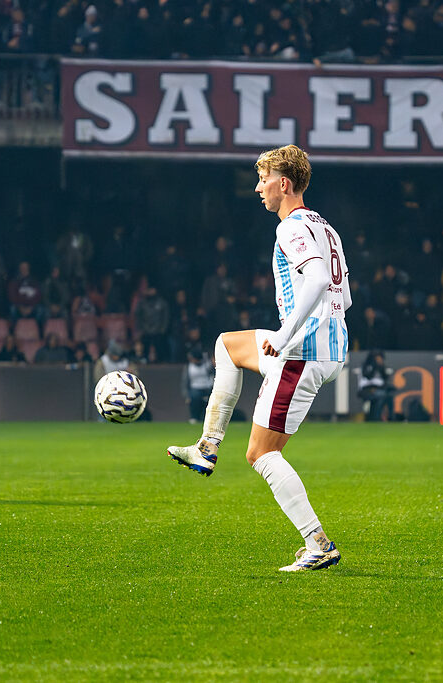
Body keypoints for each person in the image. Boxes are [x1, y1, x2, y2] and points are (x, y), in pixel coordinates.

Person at [167, 144, 350, 572]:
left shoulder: (291, 227)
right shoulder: (325, 226)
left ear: (283, 184)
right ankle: (207, 447)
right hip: (325, 343)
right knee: (227, 345)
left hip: (302, 351)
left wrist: (286, 335)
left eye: (263, 179)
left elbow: (317, 279)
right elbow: (343, 295)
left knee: (260, 454)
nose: (257, 188)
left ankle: (318, 544)